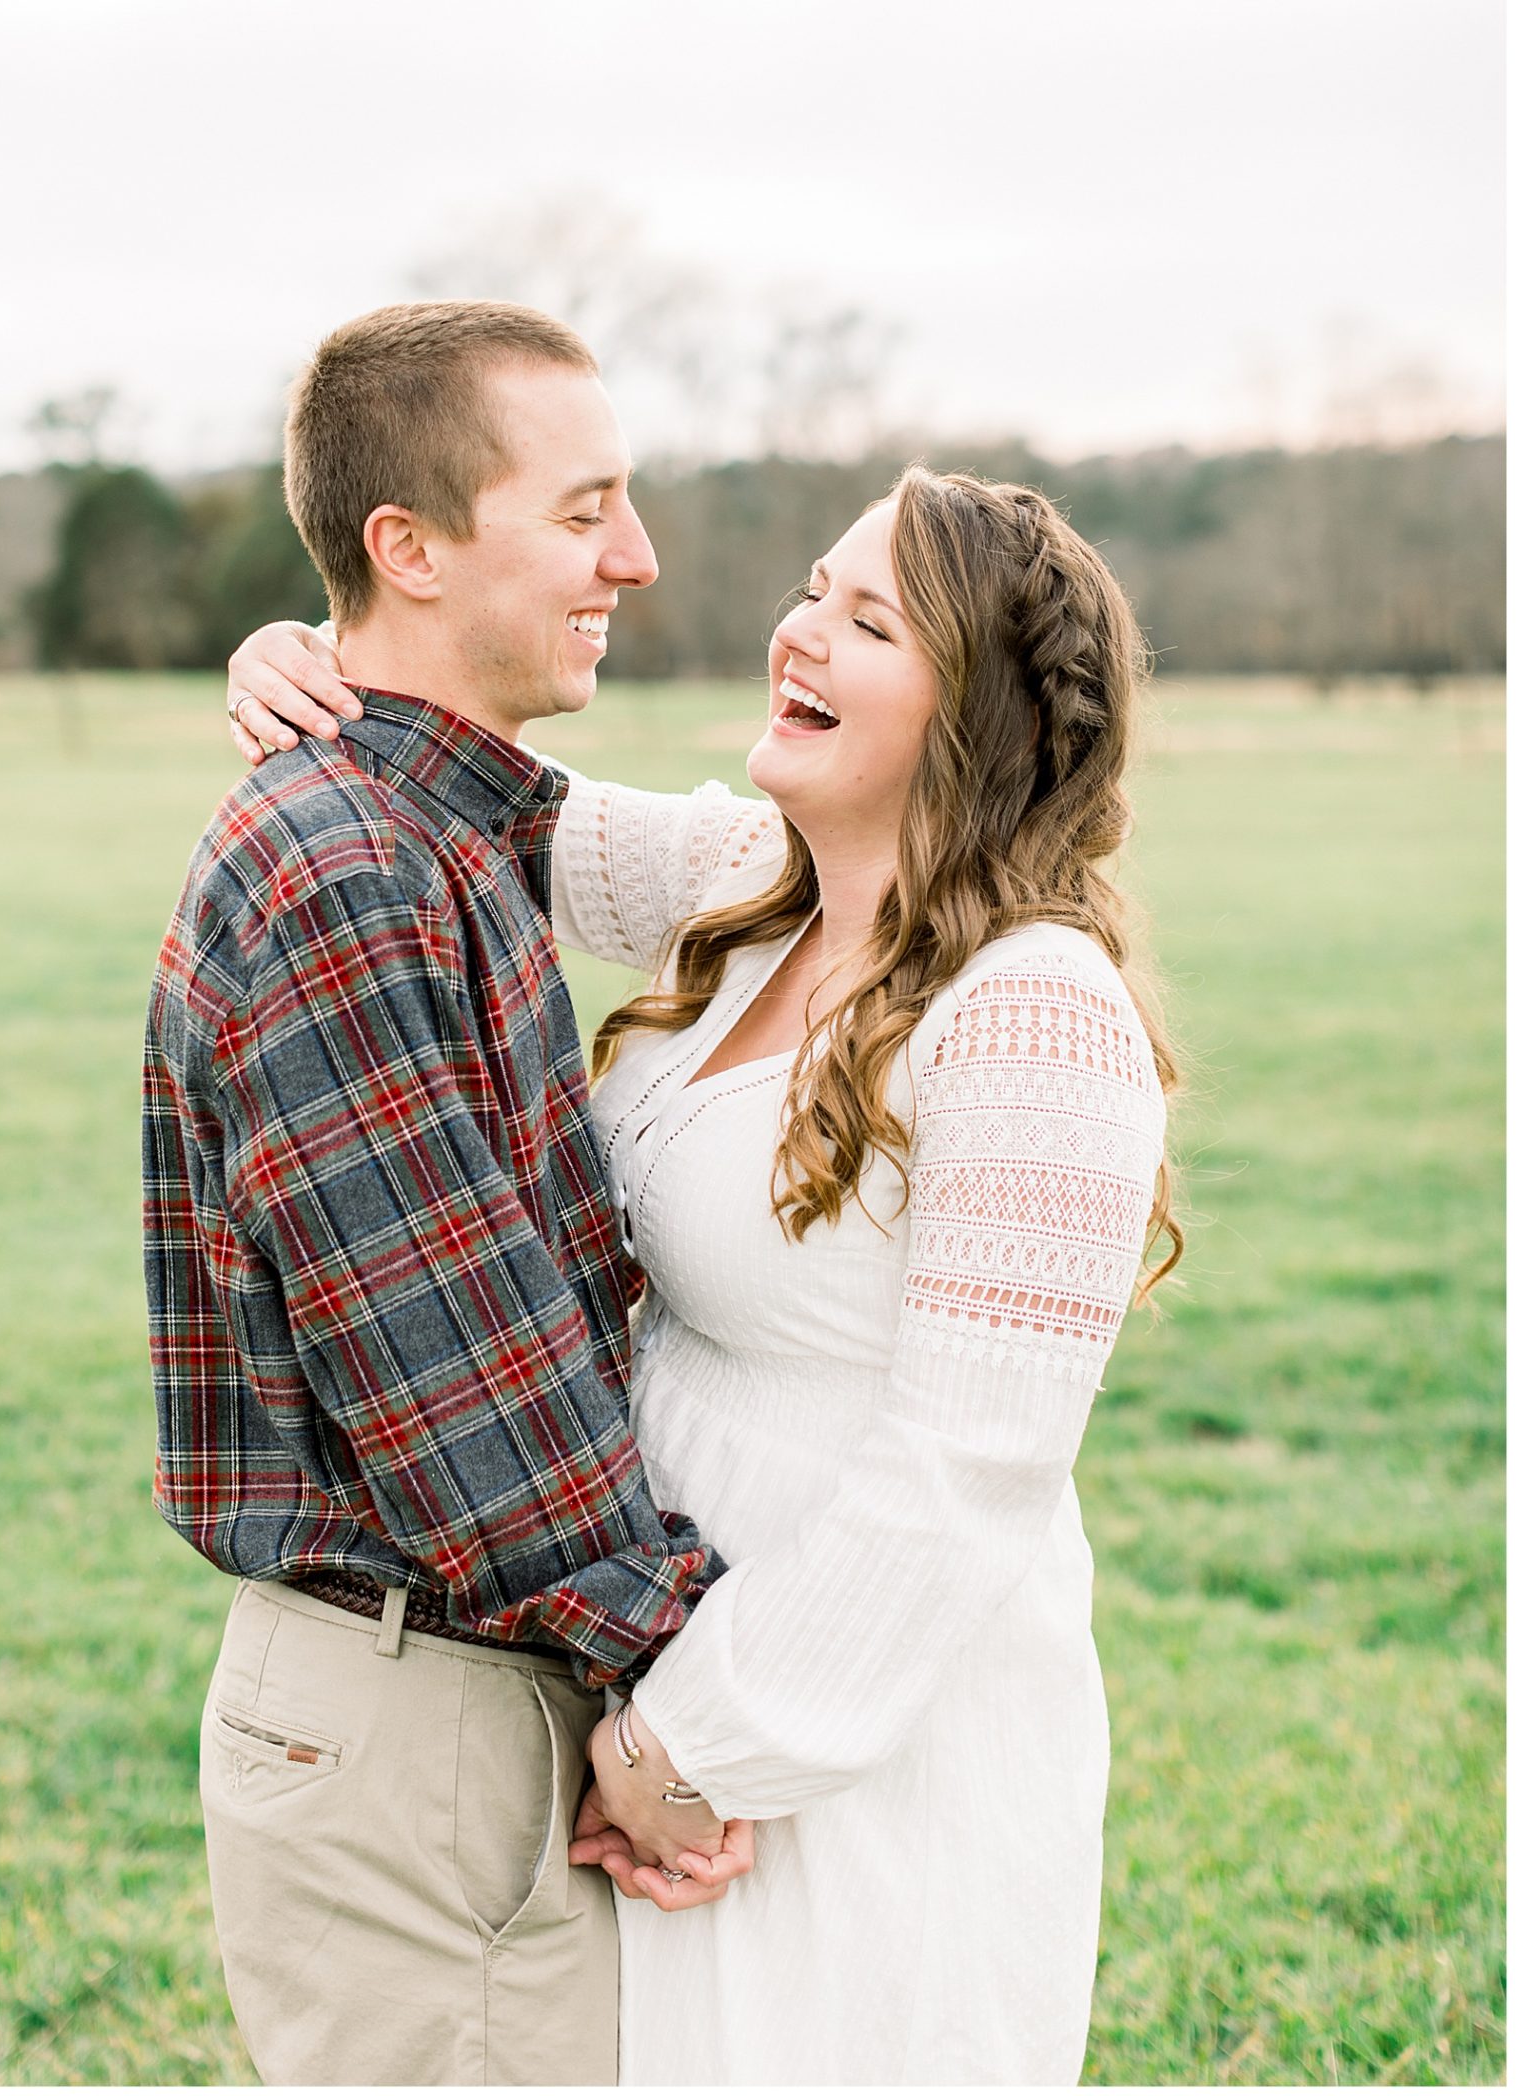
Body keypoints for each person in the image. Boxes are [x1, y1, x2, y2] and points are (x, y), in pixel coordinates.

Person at [228, 453, 1182, 2085]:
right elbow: (457, 789)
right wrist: (303, 664)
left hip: (854, 1716)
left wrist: (699, 1751)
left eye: (866, 621)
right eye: (812, 590)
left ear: (975, 717)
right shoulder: (749, 889)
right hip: (651, 1665)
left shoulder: (1033, 1010)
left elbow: (973, 1468)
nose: (796, 634)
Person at [143, 300, 755, 2093]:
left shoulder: (436, 829)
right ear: (406, 549)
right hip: (421, 1713)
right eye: (582, 511)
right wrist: (695, 1705)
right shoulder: (349, 868)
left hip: (457, 1694)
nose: (631, 557)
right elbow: (456, 1381)